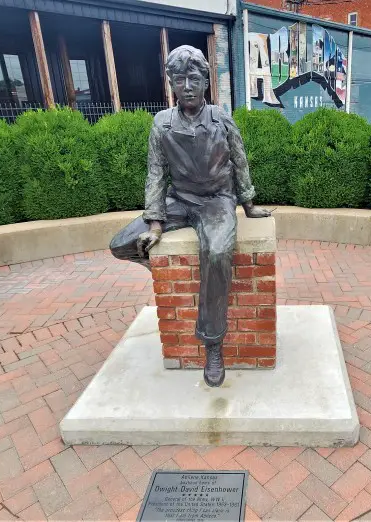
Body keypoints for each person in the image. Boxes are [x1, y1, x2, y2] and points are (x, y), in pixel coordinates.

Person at [110, 45, 270, 388]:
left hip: (216, 201)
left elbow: (240, 161)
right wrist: (155, 223)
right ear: (171, 83)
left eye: (193, 78)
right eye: (179, 79)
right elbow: (155, 174)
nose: (187, 85)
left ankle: (213, 345)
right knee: (121, 243)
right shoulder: (162, 124)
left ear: (205, 82)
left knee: (216, 252)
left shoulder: (221, 118)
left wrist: (248, 203)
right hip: (178, 201)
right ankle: (167, 268)